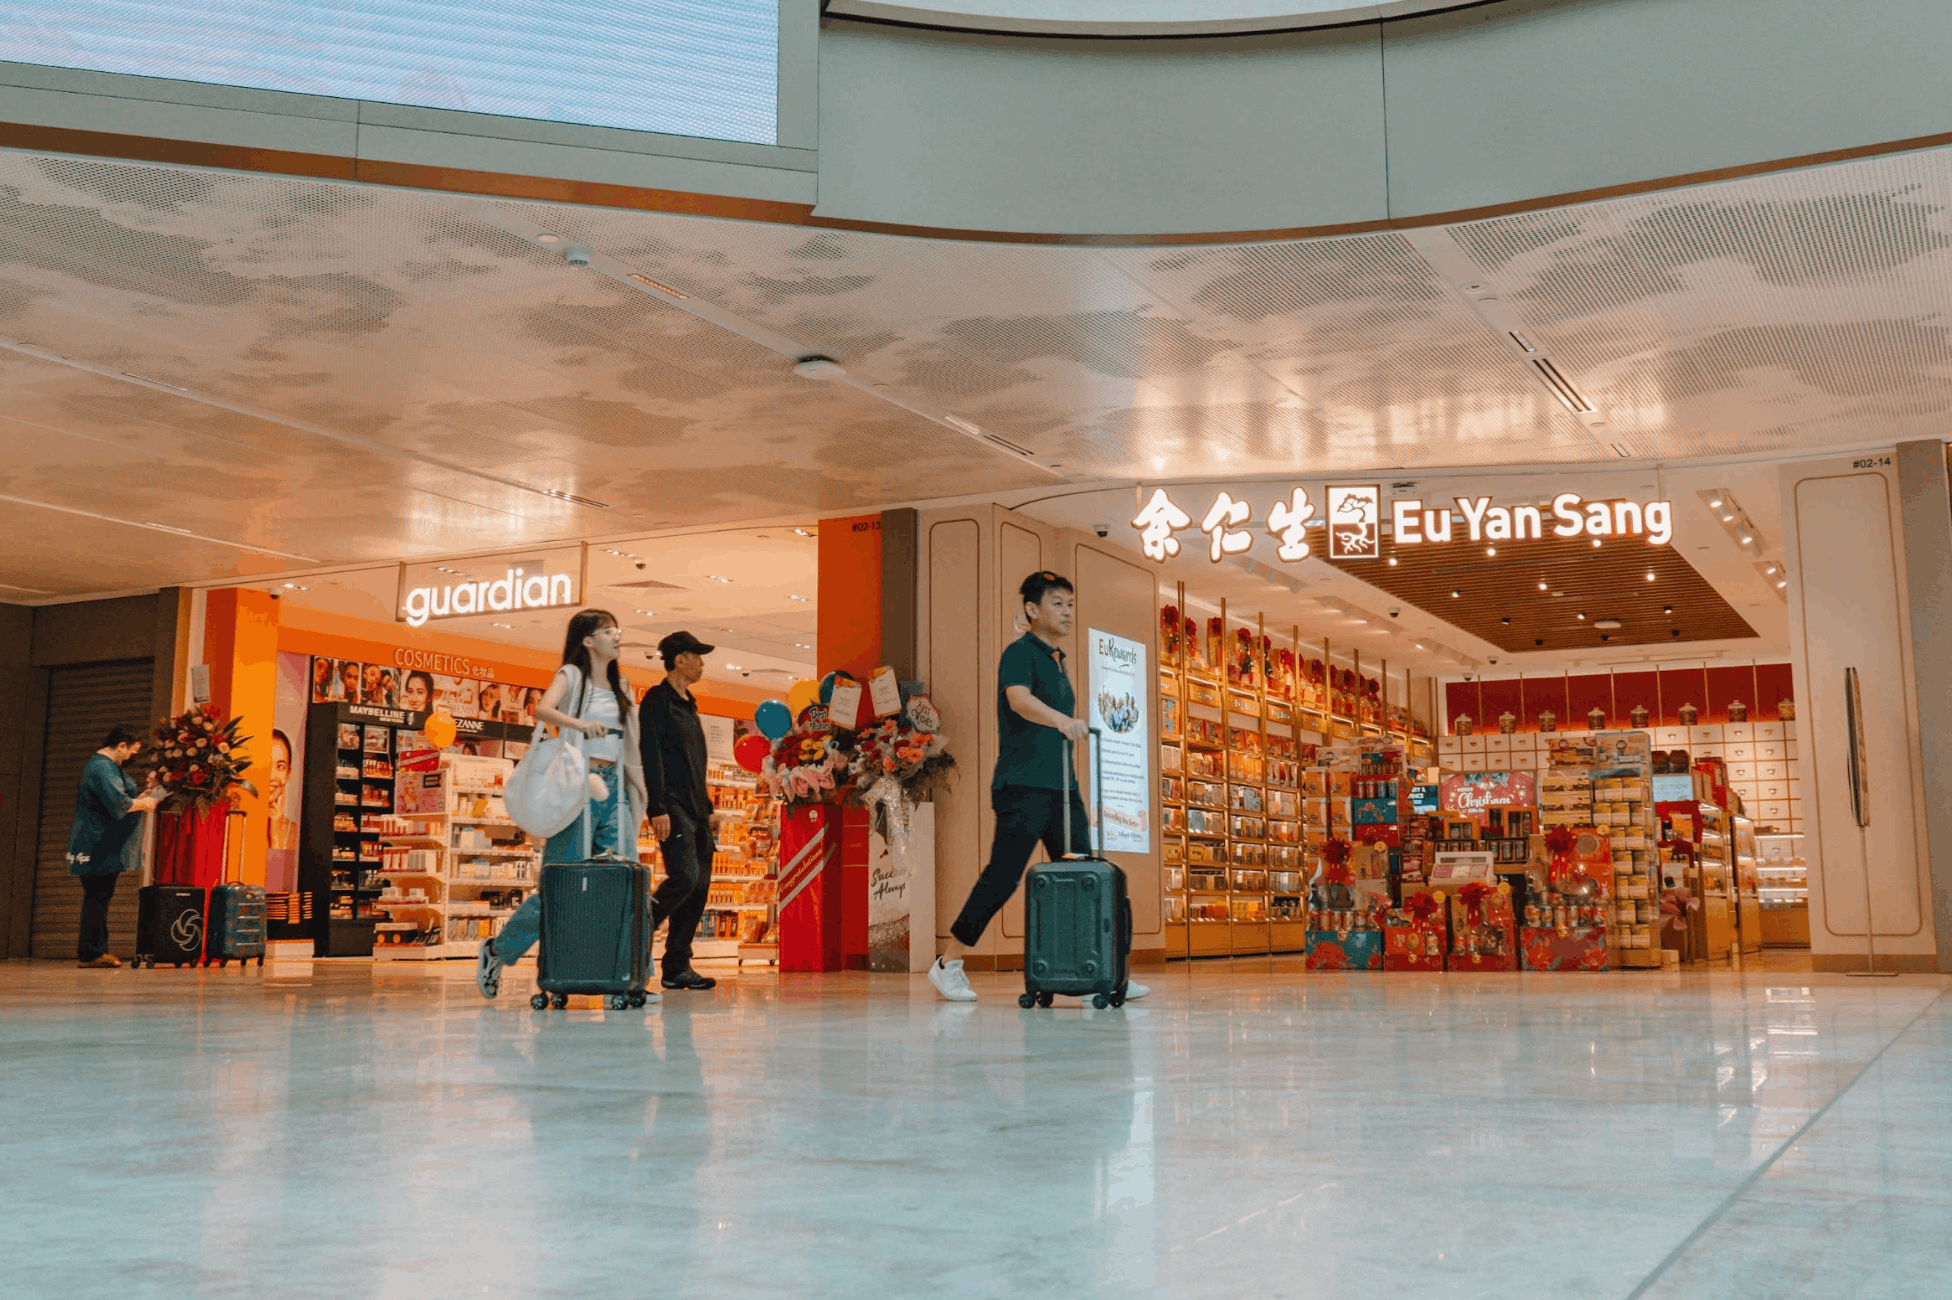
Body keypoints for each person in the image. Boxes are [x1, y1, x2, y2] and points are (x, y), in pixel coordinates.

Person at [929, 572, 1149, 1003]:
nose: (1067, 611)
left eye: (1070, 603)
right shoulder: (1020, 653)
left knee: (1086, 874)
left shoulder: (1056, 659)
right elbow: (1018, 699)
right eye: (1057, 603)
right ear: (1032, 609)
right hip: (1022, 785)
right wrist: (1062, 719)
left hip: (1062, 789)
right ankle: (948, 963)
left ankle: (1095, 974)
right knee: (1004, 877)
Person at [477, 609, 651, 1000]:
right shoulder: (571, 676)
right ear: (588, 640)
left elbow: (631, 742)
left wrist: (640, 787)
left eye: (616, 628)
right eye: (608, 630)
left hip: (614, 785)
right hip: (577, 784)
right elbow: (542, 709)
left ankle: (631, 974)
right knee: (560, 882)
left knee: (628, 880)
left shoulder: (622, 685)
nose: (616, 636)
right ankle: (498, 951)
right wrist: (579, 725)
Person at [639, 630, 724, 992]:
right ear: (679, 660)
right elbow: (650, 755)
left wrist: (707, 809)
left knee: (700, 886)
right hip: (671, 807)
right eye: (697, 656)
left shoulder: (690, 704)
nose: (702, 663)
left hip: (695, 809)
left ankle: (676, 966)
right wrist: (656, 806)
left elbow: (695, 762)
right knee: (685, 876)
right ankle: (640, 925)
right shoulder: (656, 701)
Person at [65, 724, 162, 968]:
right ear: (121, 746)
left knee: (100, 895)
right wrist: (145, 803)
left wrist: (143, 798)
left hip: (103, 842)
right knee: (97, 896)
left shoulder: (109, 768)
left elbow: (122, 800)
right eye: (132, 750)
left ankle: (95, 949)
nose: (132, 756)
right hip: (96, 842)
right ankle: (92, 952)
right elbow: (118, 803)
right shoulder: (100, 768)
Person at [266, 728, 298, 852]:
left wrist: (276, 837)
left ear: (288, 774)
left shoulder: (295, 831)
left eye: (280, 766)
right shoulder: (238, 821)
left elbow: (278, 871)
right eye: (267, 764)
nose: (272, 776)